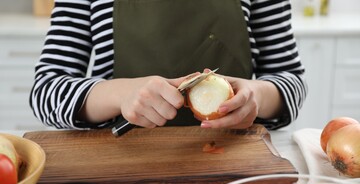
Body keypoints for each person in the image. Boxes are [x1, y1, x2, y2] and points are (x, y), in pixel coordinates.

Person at [30, 0, 307, 131]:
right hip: (121, 169)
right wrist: (121, 94)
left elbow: (291, 80)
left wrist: (257, 96)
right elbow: (45, 92)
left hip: (231, 168)